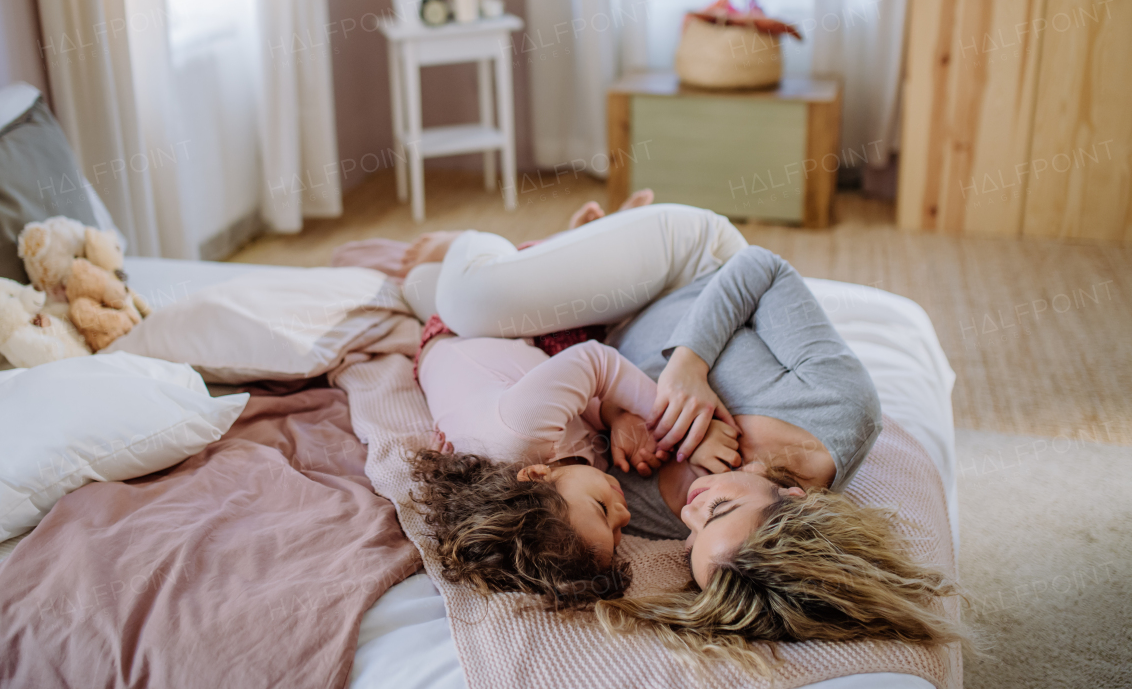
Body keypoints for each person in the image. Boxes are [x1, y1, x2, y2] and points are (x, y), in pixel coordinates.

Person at [407, 199, 962, 667]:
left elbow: (581, 458)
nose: (688, 517)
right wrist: (689, 366)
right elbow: (760, 268)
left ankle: (574, 246)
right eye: (716, 513)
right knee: (471, 301)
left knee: (421, 292)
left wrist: (623, 420)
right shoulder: (839, 409)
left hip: (604, 327)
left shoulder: (661, 517)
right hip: (685, 265)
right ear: (795, 497)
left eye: (689, 544)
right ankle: (501, 241)